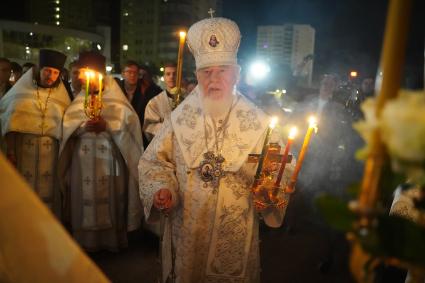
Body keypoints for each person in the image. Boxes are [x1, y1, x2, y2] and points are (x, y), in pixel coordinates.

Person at [139, 16, 294, 282]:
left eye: (222, 70)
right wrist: (161, 189)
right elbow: (154, 163)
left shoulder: (260, 123)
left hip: (234, 233)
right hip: (187, 229)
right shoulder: (179, 119)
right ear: (197, 75)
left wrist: (271, 190)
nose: (214, 79)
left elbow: (280, 170)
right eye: (206, 72)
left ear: (237, 74)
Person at [58, 51, 143, 252]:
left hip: (110, 157)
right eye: (84, 73)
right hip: (82, 158)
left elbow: (130, 129)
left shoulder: (116, 99)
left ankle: (110, 241)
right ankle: (85, 243)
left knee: (112, 196)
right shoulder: (79, 101)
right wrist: (81, 128)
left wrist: (108, 126)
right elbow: (67, 130)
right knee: (82, 196)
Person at [0, 49, 70, 217]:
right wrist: (10, 152)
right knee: (25, 195)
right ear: (40, 70)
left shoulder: (62, 97)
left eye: (55, 72)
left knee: (49, 196)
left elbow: (68, 128)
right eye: (47, 70)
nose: (50, 75)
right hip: (24, 153)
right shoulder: (19, 93)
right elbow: (9, 123)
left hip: (51, 155)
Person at [117, 61, 161, 148]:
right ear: (123, 74)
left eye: (135, 73)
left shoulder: (146, 91)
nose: (132, 75)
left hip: (139, 135)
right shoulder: (116, 90)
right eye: (129, 72)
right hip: (120, 133)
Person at [143, 62, 178, 142]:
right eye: (168, 74)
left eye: (175, 74)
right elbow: (148, 127)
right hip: (163, 147)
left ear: (179, 76)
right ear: (164, 77)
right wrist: (169, 128)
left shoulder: (187, 99)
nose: (171, 77)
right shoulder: (154, 103)